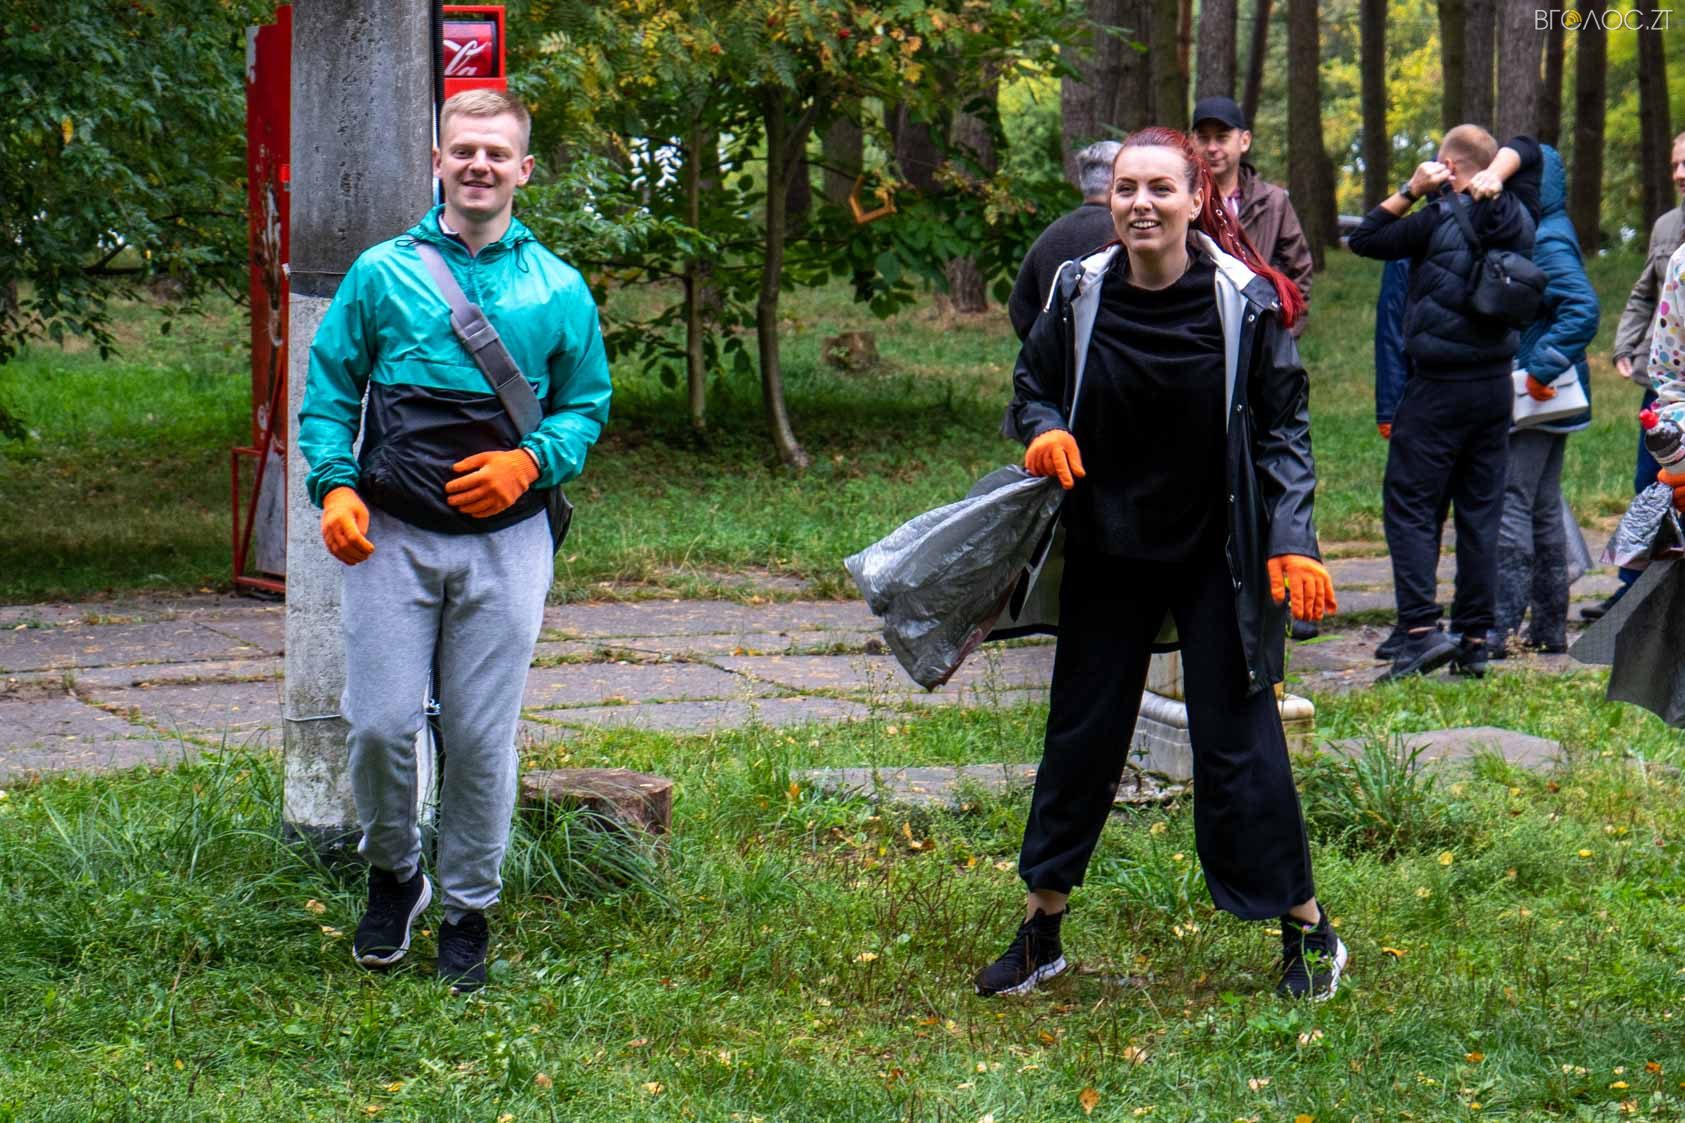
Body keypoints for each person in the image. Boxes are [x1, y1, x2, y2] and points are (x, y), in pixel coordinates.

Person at [980, 127, 1344, 1002]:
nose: (1140, 203)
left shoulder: (1243, 300)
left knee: (1240, 743)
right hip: (1108, 549)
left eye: (1159, 189)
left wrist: (1290, 537)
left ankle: (1308, 929)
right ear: (1108, 200)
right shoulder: (1078, 288)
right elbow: (1031, 386)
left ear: (1194, 199)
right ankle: (1040, 931)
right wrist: (1043, 430)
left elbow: (1282, 430)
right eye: (1125, 189)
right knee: (1079, 736)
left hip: (1216, 554)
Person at [297, 90, 612, 994]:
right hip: (390, 536)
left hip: (506, 542)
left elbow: (585, 404)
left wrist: (530, 462)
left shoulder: (557, 287)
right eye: (463, 149)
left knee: (480, 738)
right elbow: (329, 393)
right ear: (437, 161)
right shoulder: (380, 273)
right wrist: (336, 486)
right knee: (378, 725)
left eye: (496, 153)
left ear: (523, 170)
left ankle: (469, 908)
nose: (479, 164)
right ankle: (396, 873)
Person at [1347, 125, 1535, 681]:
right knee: (1480, 513)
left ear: (1447, 167)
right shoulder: (1520, 215)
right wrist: (1497, 175)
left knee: (1409, 505)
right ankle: (1475, 639)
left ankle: (1420, 631)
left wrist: (1411, 188)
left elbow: (1365, 239)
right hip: (1495, 387)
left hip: (1437, 387)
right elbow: (1528, 147)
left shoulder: (1434, 218)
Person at [1471, 143, 1599, 657]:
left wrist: (1541, 368)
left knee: (1513, 502)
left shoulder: (1547, 237)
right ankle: (1547, 627)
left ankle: (1500, 626)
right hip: (1546, 396)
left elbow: (1582, 308)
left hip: (1538, 393)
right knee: (1543, 507)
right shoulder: (1548, 228)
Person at [1592, 131, 1685, 620]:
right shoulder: (1668, 227)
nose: (1679, 174)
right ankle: (1633, 593)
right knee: (1652, 485)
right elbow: (1645, 293)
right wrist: (1626, 345)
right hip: (1668, 384)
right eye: (1674, 164)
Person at [1191, 96, 1313, 338]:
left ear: (1244, 141)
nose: (1212, 148)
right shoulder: (1180, 201)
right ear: (1192, 141)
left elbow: (1299, 272)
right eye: (1203, 138)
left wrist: (1281, 338)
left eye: (1222, 138)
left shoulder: (1274, 202)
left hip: (1257, 333)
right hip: (1196, 333)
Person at [1007, 140, 1123, 340]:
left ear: (1082, 179)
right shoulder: (1127, 234)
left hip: (1054, 355)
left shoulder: (1050, 236)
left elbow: (1019, 307)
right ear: (1119, 180)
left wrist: (1047, 348)